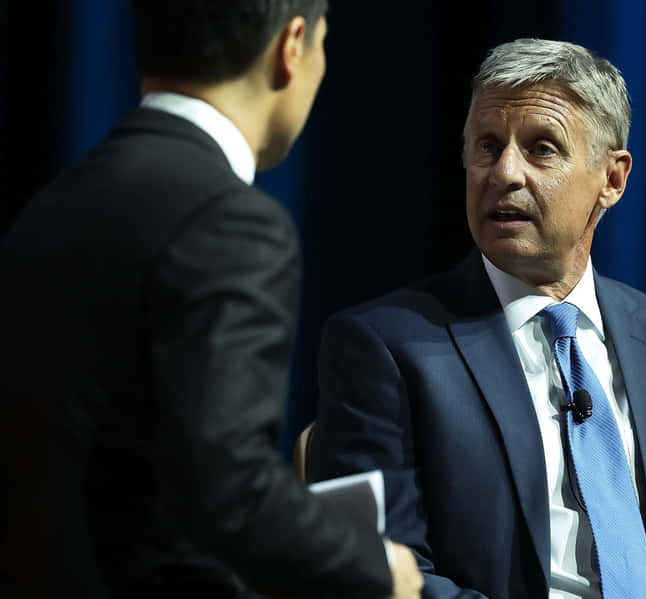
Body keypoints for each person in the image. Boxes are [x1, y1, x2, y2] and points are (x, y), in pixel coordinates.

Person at [307, 39, 646, 598]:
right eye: (487, 146)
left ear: (612, 179)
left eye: (541, 149)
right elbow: (383, 573)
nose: (505, 172)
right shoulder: (384, 348)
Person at [0, 1, 423, 597]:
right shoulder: (230, 222)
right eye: (324, 42)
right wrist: (377, 568)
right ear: (292, 47)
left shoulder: (51, 205)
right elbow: (226, 489)